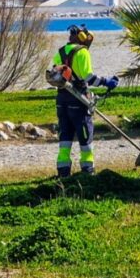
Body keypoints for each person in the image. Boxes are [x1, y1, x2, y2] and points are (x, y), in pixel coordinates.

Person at [52, 24, 118, 177]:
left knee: (65, 136)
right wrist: (107, 81)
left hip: (62, 99)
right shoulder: (82, 52)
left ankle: (63, 170)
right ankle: (87, 170)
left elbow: (57, 74)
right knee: (85, 135)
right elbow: (89, 78)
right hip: (78, 99)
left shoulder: (61, 52)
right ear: (82, 38)